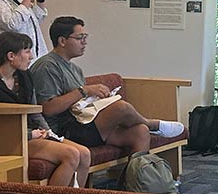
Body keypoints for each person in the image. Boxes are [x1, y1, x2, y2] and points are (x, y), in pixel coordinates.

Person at [29, 16, 184, 153]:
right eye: (79, 38)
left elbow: (81, 104)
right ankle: (152, 124)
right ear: (62, 41)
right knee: (121, 108)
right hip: (65, 129)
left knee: (140, 132)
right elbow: (48, 108)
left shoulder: (75, 69)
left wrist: (98, 99)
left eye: (85, 37)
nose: (84, 42)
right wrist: (84, 91)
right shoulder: (47, 66)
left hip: (83, 121)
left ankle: (135, 183)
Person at [0, 31, 91, 187]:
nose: (32, 56)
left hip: (30, 134)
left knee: (85, 154)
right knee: (72, 155)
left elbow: (35, 110)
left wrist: (47, 131)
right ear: (11, 56)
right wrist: (29, 134)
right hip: (8, 140)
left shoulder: (24, 77)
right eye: (27, 51)